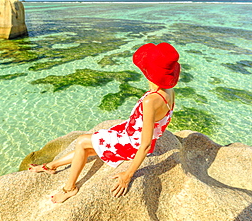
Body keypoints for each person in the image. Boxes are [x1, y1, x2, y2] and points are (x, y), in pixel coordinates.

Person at [29, 42, 181, 203]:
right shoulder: (168, 90)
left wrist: (127, 176)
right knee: (89, 146)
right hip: (130, 133)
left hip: (131, 144)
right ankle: (52, 166)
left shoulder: (152, 100)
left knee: (82, 142)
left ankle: (69, 189)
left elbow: (144, 146)